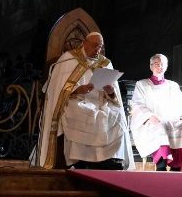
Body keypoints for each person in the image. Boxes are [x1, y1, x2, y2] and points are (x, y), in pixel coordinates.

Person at [31, 32, 134, 170]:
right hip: (76, 101)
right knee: (84, 113)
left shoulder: (105, 63)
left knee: (116, 114)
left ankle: (107, 160)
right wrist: (77, 90)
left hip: (100, 103)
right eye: (94, 45)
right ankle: (79, 160)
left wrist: (110, 92)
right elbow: (58, 91)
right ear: (84, 43)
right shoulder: (68, 59)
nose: (97, 49)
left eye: (100, 46)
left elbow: (115, 98)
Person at [129, 53, 182, 171]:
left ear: (166, 67)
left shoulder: (173, 85)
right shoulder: (142, 84)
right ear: (151, 67)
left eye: (162, 64)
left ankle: (177, 166)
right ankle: (161, 165)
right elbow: (137, 104)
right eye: (156, 64)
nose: (159, 66)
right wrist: (149, 116)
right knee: (161, 127)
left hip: (171, 119)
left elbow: (181, 103)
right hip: (152, 121)